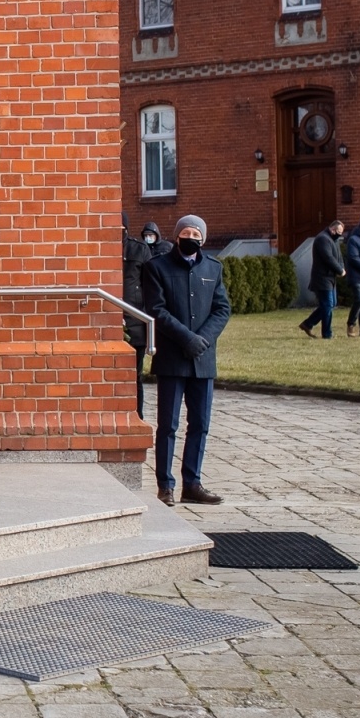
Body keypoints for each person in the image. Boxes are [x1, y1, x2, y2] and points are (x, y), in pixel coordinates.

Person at [143, 213, 230, 508]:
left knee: (200, 424)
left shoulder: (213, 268)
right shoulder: (157, 267)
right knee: (168, 424)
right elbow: (157, 309)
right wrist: (186, 339)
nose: (191, 237)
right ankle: (165, 485)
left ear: (203, 239)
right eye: (187, 232)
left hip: (202, 360)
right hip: (172, 359)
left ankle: (192, 483)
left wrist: (202, 339)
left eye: (197, 234)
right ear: (177, 235)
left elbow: (222, 309)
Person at [122, 213, 152, 419]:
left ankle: (136, 417)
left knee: (134, 377)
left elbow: (151, 289)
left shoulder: (139, 249)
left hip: (135, 323)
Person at [299, 219, 346, 339]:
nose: (339, 234)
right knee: (328, 304)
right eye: (338, 231)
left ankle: (308, 324)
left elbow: (338, 256)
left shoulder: (333, 240)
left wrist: (342, 268)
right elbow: (328, 258)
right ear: (332, 229)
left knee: (331, 304)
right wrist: (339, 270)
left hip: (330, 277)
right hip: (322, 278)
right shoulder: (322, 239)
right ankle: (327, 333)